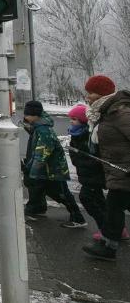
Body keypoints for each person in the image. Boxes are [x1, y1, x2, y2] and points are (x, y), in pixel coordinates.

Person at [81, 75, 130, 261]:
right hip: (118, 170)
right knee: (115, 207)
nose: (88, 97)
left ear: (102, 93)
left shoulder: (120, 112)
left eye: (91, 93)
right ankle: (108, 244)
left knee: (114, 207)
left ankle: (109, 247)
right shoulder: (106, 111)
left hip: (125, 172)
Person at [21, 100, 86, 228]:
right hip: (47, 169)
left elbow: (42, 153)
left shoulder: (43, 130)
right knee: (39, 187)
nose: (25, 117)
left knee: (61, 193)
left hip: (53, 169)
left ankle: (78, 218)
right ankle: (36, 208)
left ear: (35, 115)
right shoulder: (38, 127)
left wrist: (30, 169)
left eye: (27, 115)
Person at [68, 104, 117, 240]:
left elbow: (97, 158)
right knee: (100, 202)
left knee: (87, 198)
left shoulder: (90, 136)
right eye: (70, 118)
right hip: (86, 175)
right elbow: (74, 156)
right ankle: (116, 228)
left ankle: (106, 230)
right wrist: (78, 160)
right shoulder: (75, 135)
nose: (71, 121)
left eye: (74, 119)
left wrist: (82, 161)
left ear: (83, 121)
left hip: (95, 176)